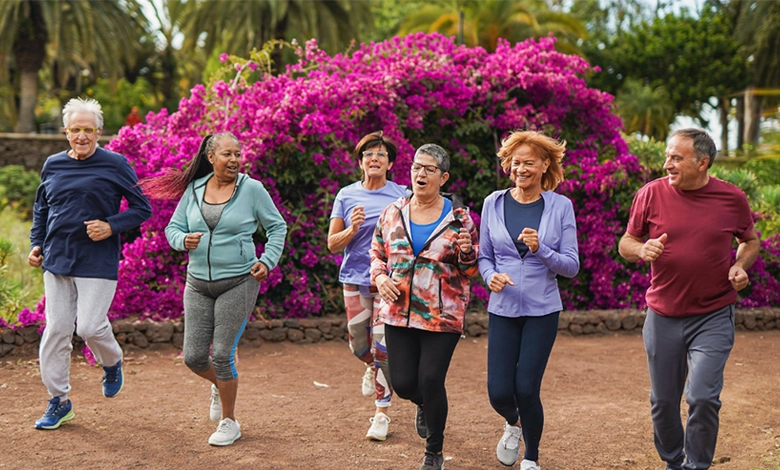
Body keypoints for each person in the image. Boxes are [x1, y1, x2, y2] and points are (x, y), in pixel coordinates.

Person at [618, 129, 759, 470]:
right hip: (663, 315)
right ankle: (673, 461)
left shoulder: (731, 198)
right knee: (664, 401)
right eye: (668, 156)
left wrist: (739, 266)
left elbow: (750, 241)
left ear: (703, 162)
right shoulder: (650, 194)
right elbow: (626, 242)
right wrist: (641, 249)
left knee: (702, 397)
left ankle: (697, 465)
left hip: (712, 313)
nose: (667, 163)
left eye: (676, 158)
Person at [143, 132, 287, 446]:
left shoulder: (251, 189)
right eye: (227, 154)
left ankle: (229, 421)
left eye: (238, 154)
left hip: (239, 279)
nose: (234, 160)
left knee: (222, 354)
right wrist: (183, 241)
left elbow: (277, 226)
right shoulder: (194, 190)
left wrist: (268, 260)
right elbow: (173, 228)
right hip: (197, 283)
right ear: (211, 157)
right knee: (194, 358)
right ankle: (219, 384)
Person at [28, 97, 152, 430]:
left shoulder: (115, 164)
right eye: (75, 130)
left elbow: (142, 208)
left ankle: (112, 362)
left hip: (97, 259)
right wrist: (36, 244)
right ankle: (59, 401)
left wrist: (111, 225)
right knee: (56, 330)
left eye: (89, 130)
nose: (82, 136)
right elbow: (42, 208)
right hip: (57, 258)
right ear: (65, 131)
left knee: (89, 327)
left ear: (99, 132)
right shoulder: (53, 164)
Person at [370, 143, 479, 470]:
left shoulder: (460, 219)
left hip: (441, 314)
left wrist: (466, 252)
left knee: (431, 379)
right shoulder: (393, 212)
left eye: (429, 169)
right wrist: (379, 278)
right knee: (403, 383)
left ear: (443, 177)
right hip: (397, 310)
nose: (420, 173)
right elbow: (376, 252)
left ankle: (434, 451)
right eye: (417, 167)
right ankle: (424, 404)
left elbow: (471, 270)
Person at [478, 131, 579, 469]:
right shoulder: (492, 202)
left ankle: (531, 458)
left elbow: (571, 266)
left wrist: (541, 249)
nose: (520, 169)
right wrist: (489, 276)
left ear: (545, 164)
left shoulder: (561, 206)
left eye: (528, 163)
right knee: (499, 393)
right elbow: (484, 256)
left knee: (526, 387)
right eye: (515, 162)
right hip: (503, 308)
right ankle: (514, 424)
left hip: (542, 310)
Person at [327, 131, 408, 441]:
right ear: (360, 162)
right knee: (361, 346)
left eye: (381, 155)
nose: (374, 159)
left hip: (389, 283)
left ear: (389, 163)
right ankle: (370, 363)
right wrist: (352, 229)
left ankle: (381, 413)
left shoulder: (402, 195)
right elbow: (332, 245)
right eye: (369, 155)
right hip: (354, 279)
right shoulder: (346, 196)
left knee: (384, 348)